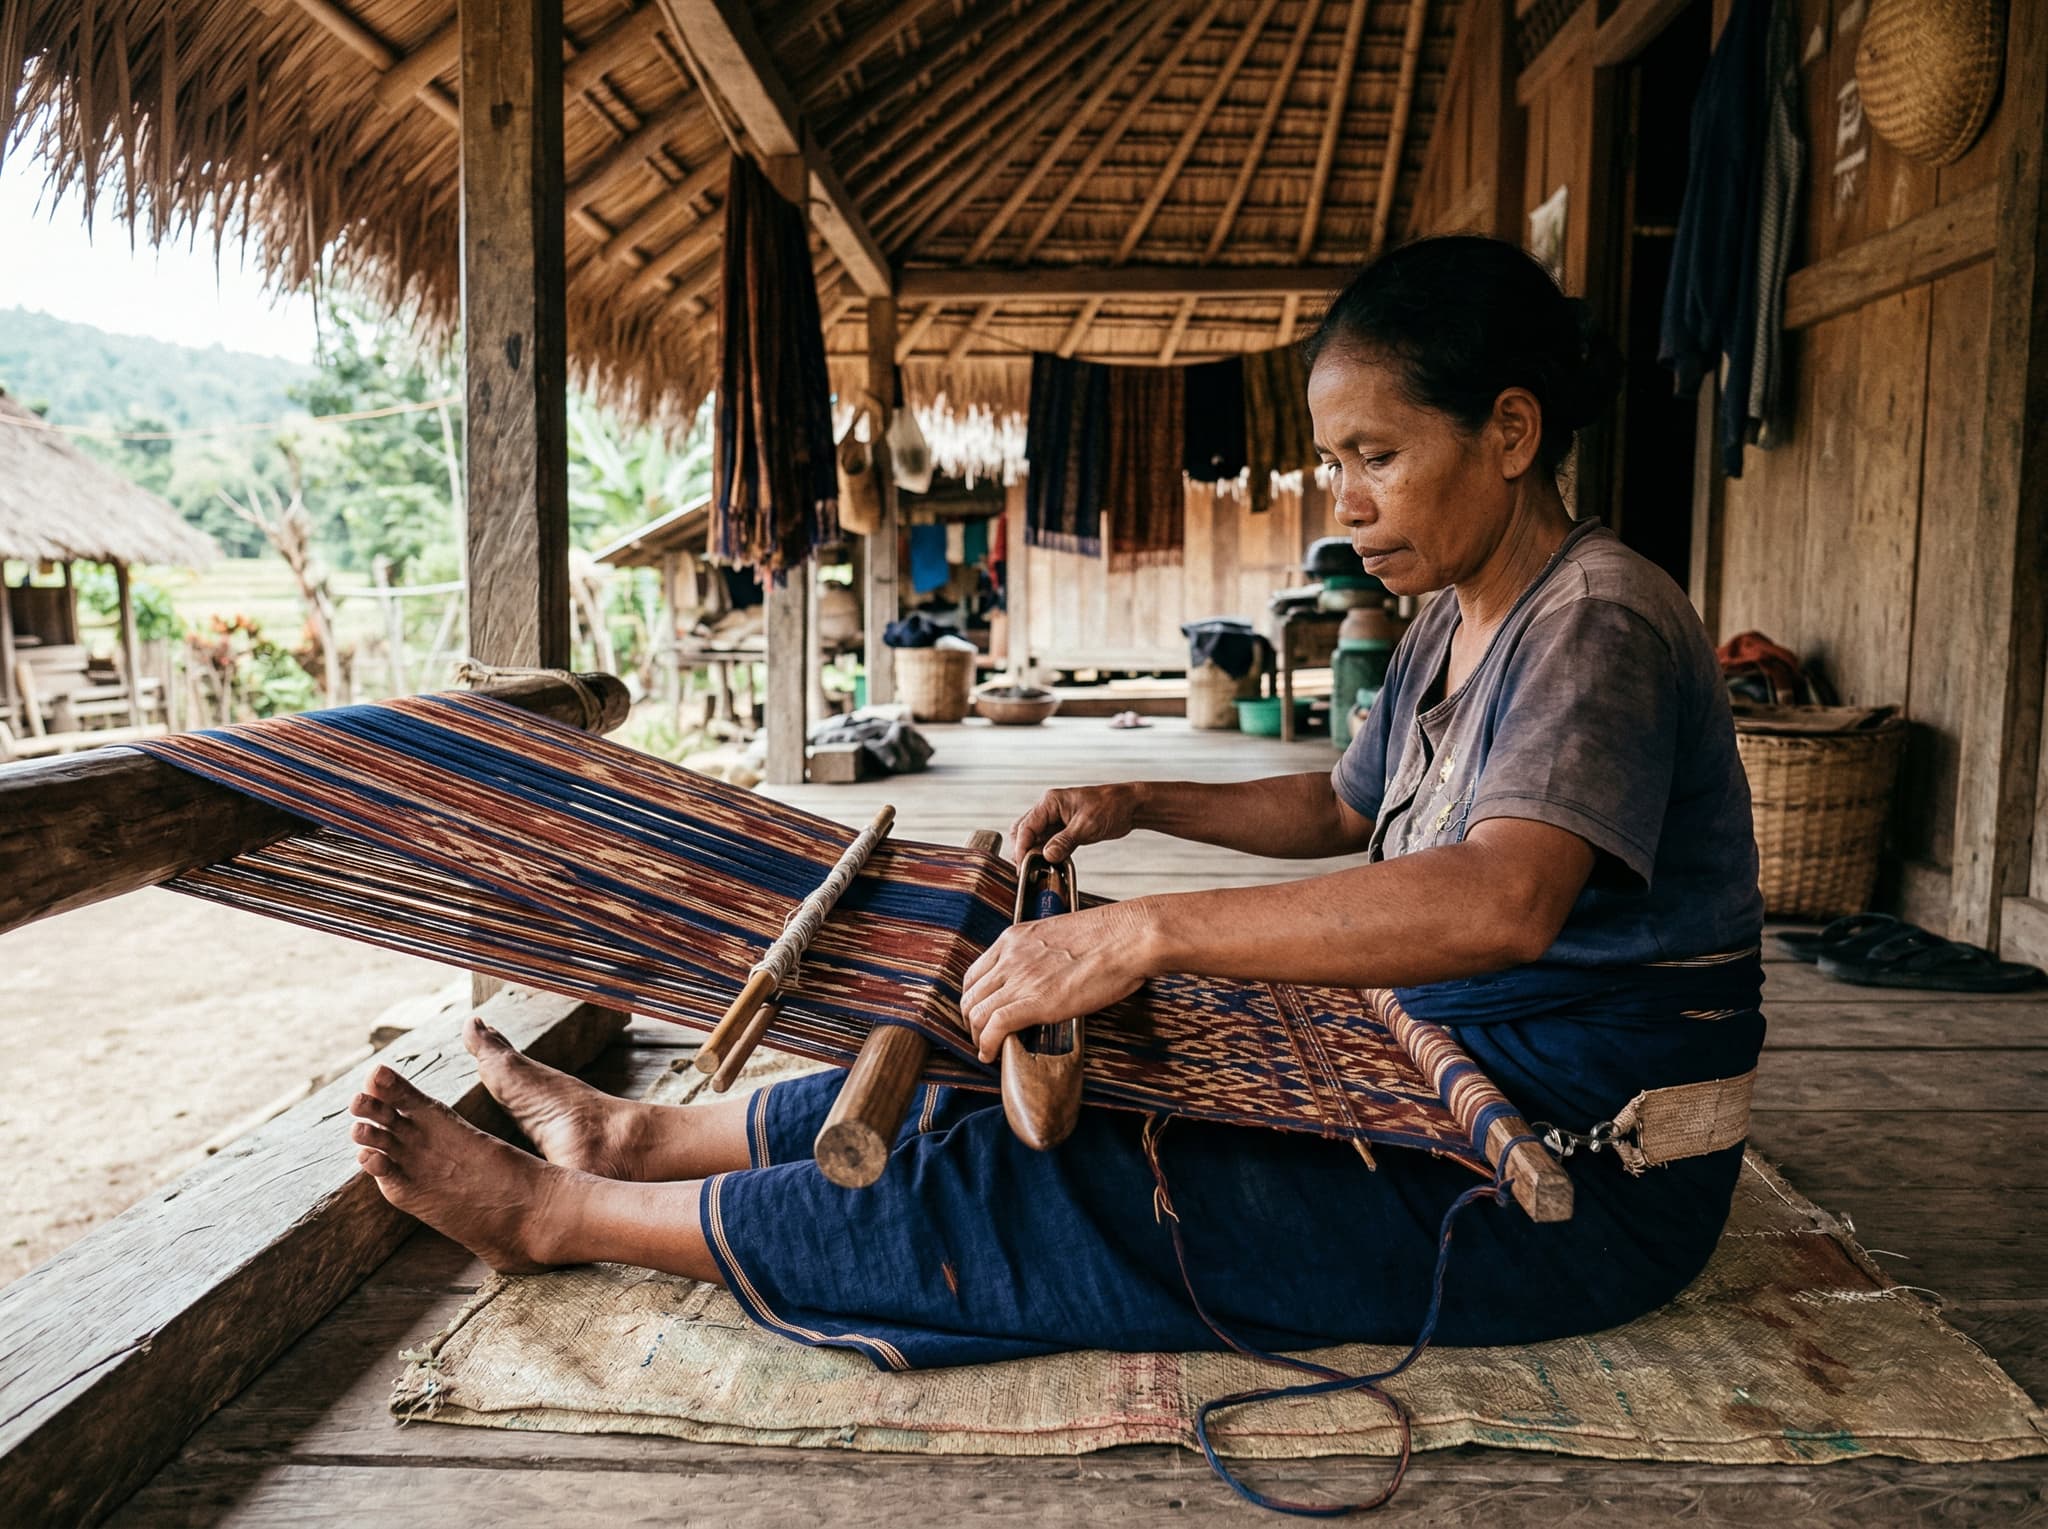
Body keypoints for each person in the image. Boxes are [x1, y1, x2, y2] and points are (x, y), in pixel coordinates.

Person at [347, 235, 1764, 1364]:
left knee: (1060, 1183)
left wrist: (1147, 934)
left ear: (1509, 431)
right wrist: (1136, 795)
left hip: (1566, 1176)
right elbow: (1346, 809)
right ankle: (637, 1136)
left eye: (1376, 456)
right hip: (1433, 1077)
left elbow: (1506, 900)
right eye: (1335, 460)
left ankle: (560, 1213)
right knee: (993, 1048)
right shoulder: (1456, 618)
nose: (1345, 500)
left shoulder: (1600, 623)